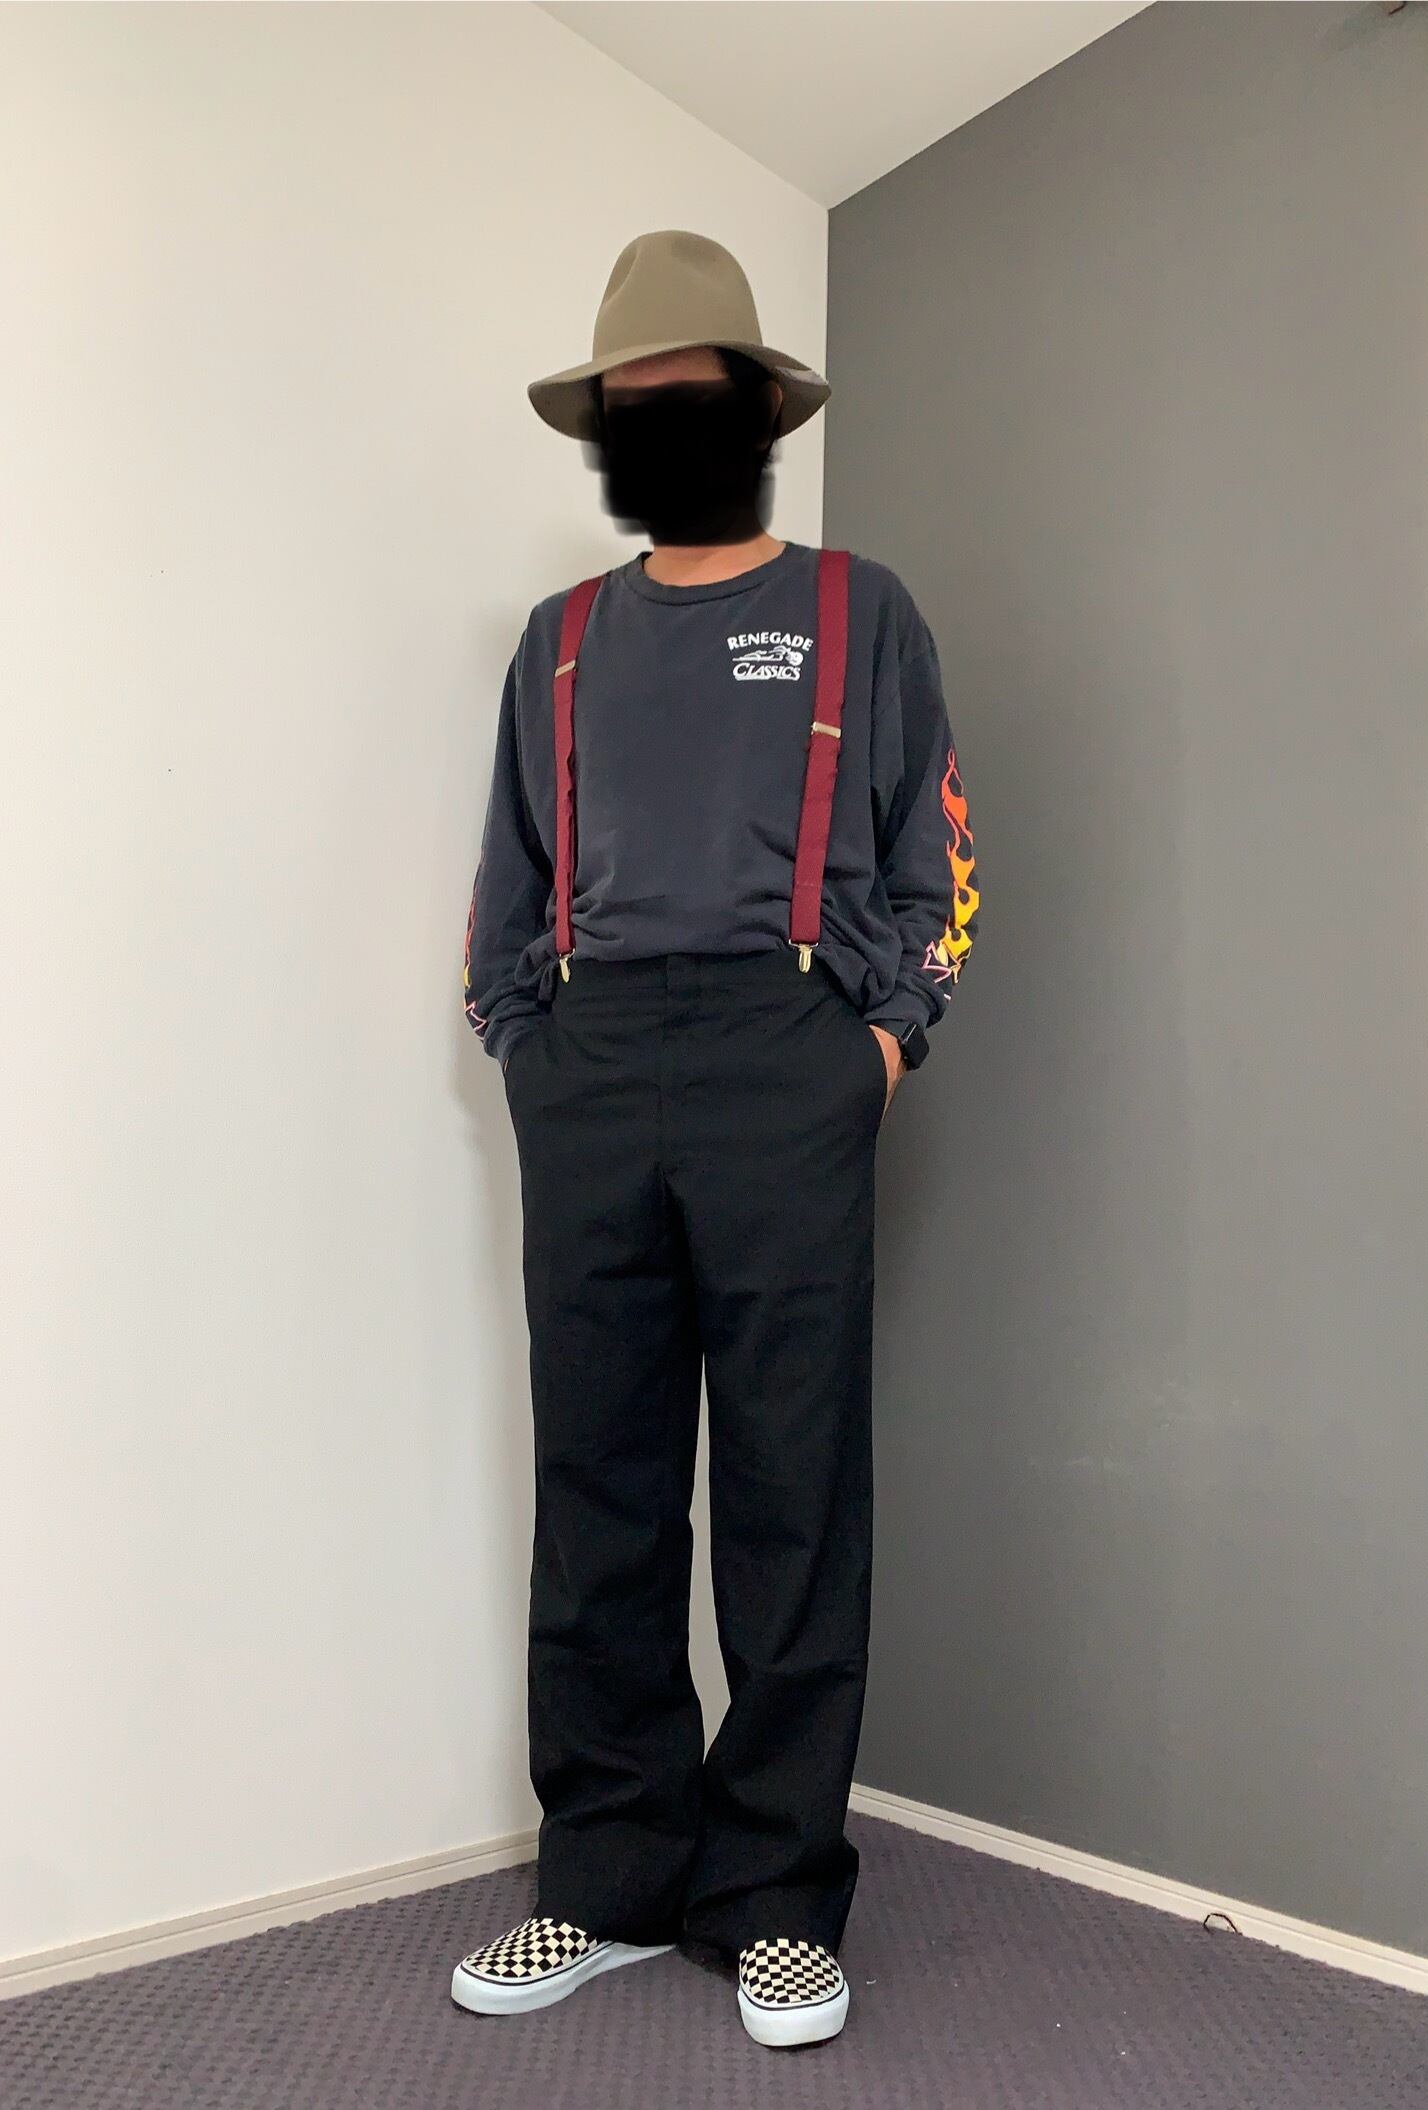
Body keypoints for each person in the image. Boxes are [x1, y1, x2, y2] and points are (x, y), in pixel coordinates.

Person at [452, 229, 979, 2050]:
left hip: (787, 1057)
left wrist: (877, 1048)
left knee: (789, 1485)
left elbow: (937, 863)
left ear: (758, 414)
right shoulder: (558, 644)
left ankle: (773, 1895)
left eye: (693, 394)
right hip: (593, 1062)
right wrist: (530, 1047)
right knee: (597, 1479)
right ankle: (607, 1878)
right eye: (636, 403)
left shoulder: (861, 610)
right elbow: (505, 890)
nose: (665, 425)